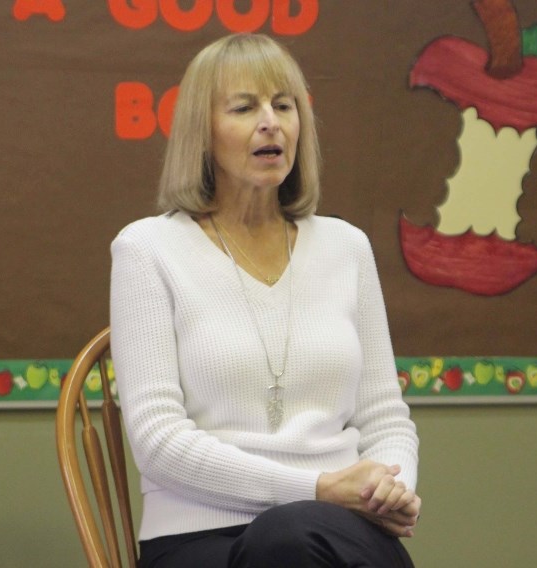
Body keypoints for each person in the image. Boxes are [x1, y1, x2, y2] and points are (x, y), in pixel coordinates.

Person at [110, 32, 421, 568]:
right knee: (288, 538)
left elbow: (385, 417)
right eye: (244, 107)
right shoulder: (147, 248)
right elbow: (158, 442)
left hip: (336, 528)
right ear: (201, 132)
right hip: (199, 535)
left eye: (284, 105)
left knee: (298, 539)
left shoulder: (346, 247)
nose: (271, 121)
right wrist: (316, 487)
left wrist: (387, 490)